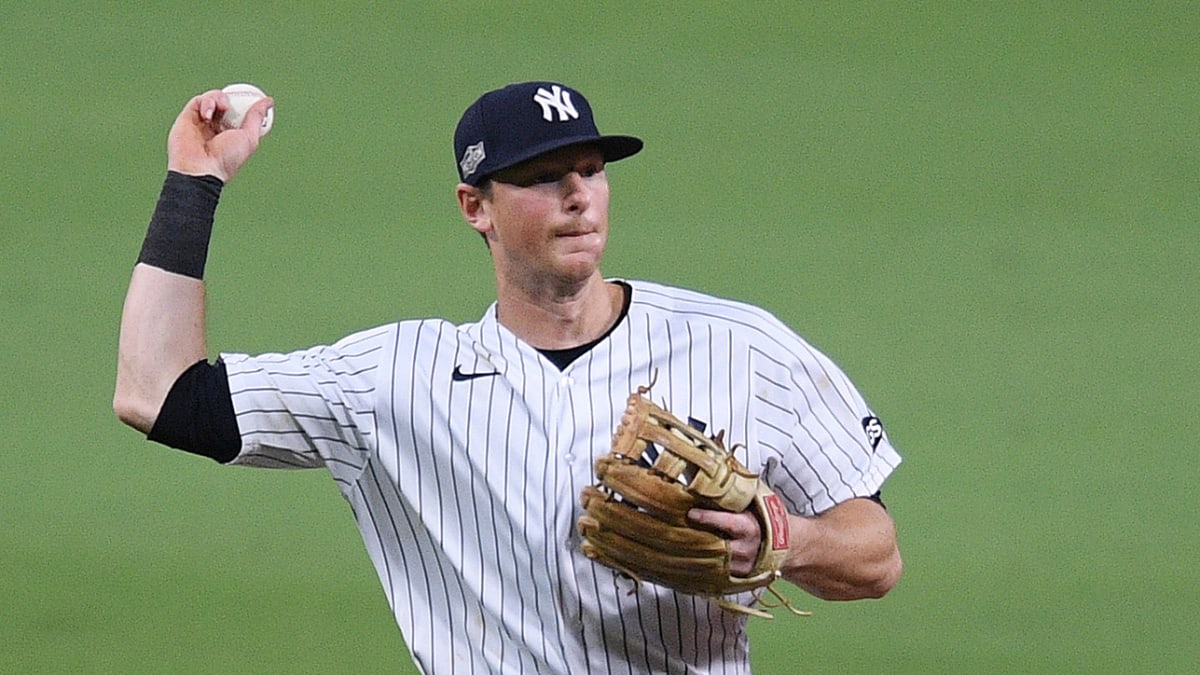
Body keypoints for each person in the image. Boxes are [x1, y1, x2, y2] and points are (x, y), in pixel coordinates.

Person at [115, 81, 903, 674]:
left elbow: (877, 556)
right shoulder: (393, 382)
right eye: (541, 176)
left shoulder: (741, 345)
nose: (577, 197)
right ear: (475, 206)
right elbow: (157, 392)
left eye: (591, 170)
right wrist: (195, 182)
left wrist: (788, 539)